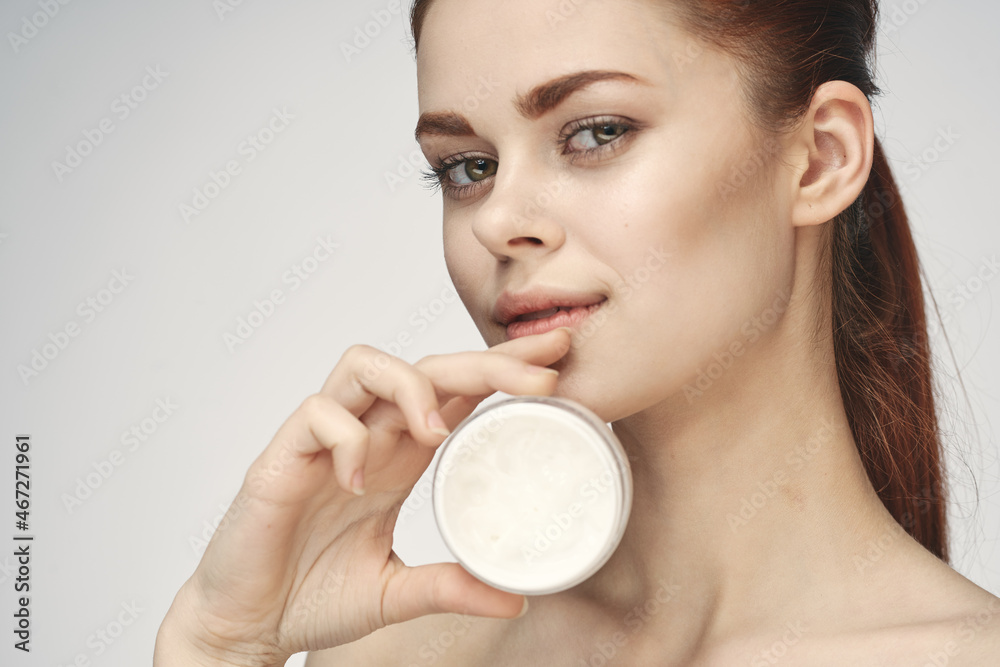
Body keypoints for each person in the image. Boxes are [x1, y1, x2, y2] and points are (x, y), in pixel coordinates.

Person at [154, 0, 1000, 664]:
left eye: (597, 132)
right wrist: (221, 641)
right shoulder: (385, 655)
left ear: (819, 158)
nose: (499, 221)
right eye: (468, 167)